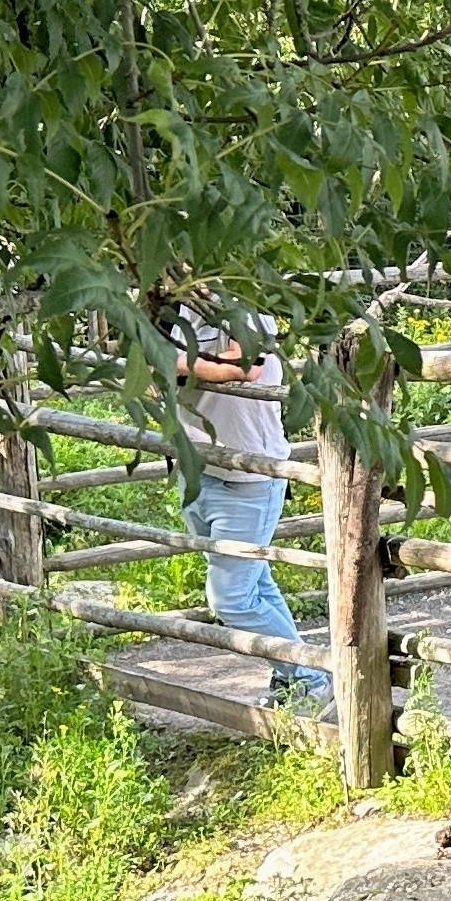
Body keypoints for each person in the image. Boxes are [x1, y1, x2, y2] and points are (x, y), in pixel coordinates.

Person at [161, 292, 331, 716]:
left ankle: (312, 679)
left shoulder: (238, 301)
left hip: (248, 475)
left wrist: (170, 362)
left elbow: (247, 365)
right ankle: (293, 676)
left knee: (232, 599)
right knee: (256, 584)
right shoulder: (169, 306)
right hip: (198, 470)